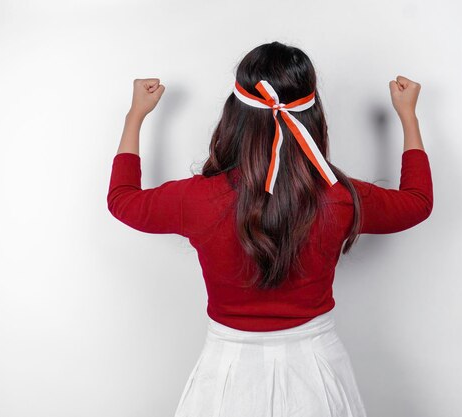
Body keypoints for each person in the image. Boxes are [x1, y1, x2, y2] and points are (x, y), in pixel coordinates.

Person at [107, 41, 432, 417]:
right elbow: (417, 202)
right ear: (313, 116)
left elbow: (122, 200)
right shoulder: (341, 196)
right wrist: (408, 116)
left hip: (226, 375)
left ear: (234, 114)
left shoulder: (196, 199)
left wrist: (135, 115)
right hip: (317, 373)